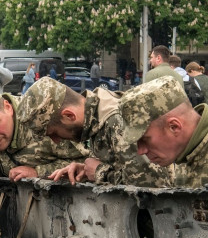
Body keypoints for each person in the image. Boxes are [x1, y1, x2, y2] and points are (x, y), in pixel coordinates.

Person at [18, 77, 173, 187]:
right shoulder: (96, 118)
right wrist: (85, 170)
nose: (56, 141)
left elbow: (155, 184)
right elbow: (124, 167)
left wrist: (99, 172)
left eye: (53, 133)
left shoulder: (116, 121)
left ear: (69, 116)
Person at [0, 81, 89, 181]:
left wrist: (38, 172)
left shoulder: (40, 120)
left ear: (8, 107)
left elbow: (87, 163)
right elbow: (1, 161)